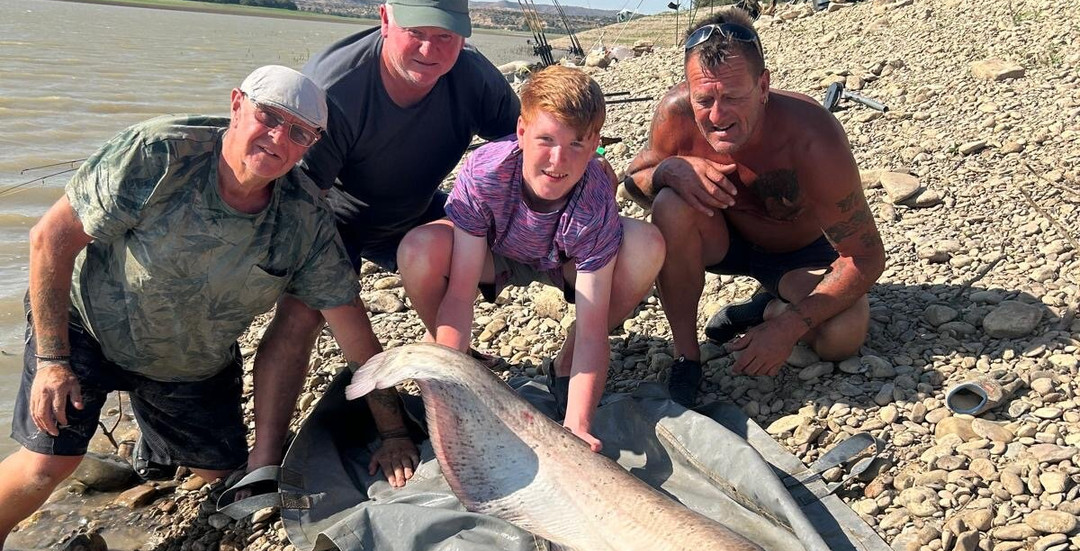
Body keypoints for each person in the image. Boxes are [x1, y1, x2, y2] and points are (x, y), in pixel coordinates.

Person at [0, 65, 418, 551]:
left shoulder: (305, 219)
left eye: (298, 133)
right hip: (85, 328)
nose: (277, 138)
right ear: (237, 104)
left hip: (188, 362)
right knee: (46, 467)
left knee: (221, 476)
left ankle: (151, 446)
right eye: (268, 117)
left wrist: (393, 433)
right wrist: (52, 360)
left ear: (311, 144)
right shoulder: (158, 153)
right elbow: (51, 240)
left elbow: (354, 332)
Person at [247, 0, 521, 475]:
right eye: (416, 31)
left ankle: (455, 358)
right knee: (303, 310)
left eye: (446, 37)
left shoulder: (474, 76)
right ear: (384, 18)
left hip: (416, 207)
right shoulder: (336, 88)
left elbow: (524, 142)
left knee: (504, 246)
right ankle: (265, 454)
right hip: (334, 219)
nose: (430, 50)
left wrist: (587, 169)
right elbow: (297, 200)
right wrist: (391, 426)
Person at [624, 8, 885, 408]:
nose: (717, 115)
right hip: (724, 242)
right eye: (704, 99)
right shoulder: (676, 114)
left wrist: (788, 327)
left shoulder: (811, 134)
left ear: (763, 85)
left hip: (799, 254)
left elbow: (866, 257)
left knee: (842, 338)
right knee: (670, 203)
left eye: (733, 97)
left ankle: (766, 310)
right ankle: (686, 356)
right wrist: (668, 171)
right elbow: (634, 181)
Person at [397, 66, 665, 452]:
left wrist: (577, 424)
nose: (558, 161)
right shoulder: (486, 172)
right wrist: (452, 404)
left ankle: (564, 368)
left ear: (595, 146)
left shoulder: (593, 198)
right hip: (497, 254)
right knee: (418, 249)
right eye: (546, 139)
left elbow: (592, 328)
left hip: (563, 261)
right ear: (521, 132)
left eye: (576, 144)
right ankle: (455, 358)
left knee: (646, 244)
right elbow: (459, 294)